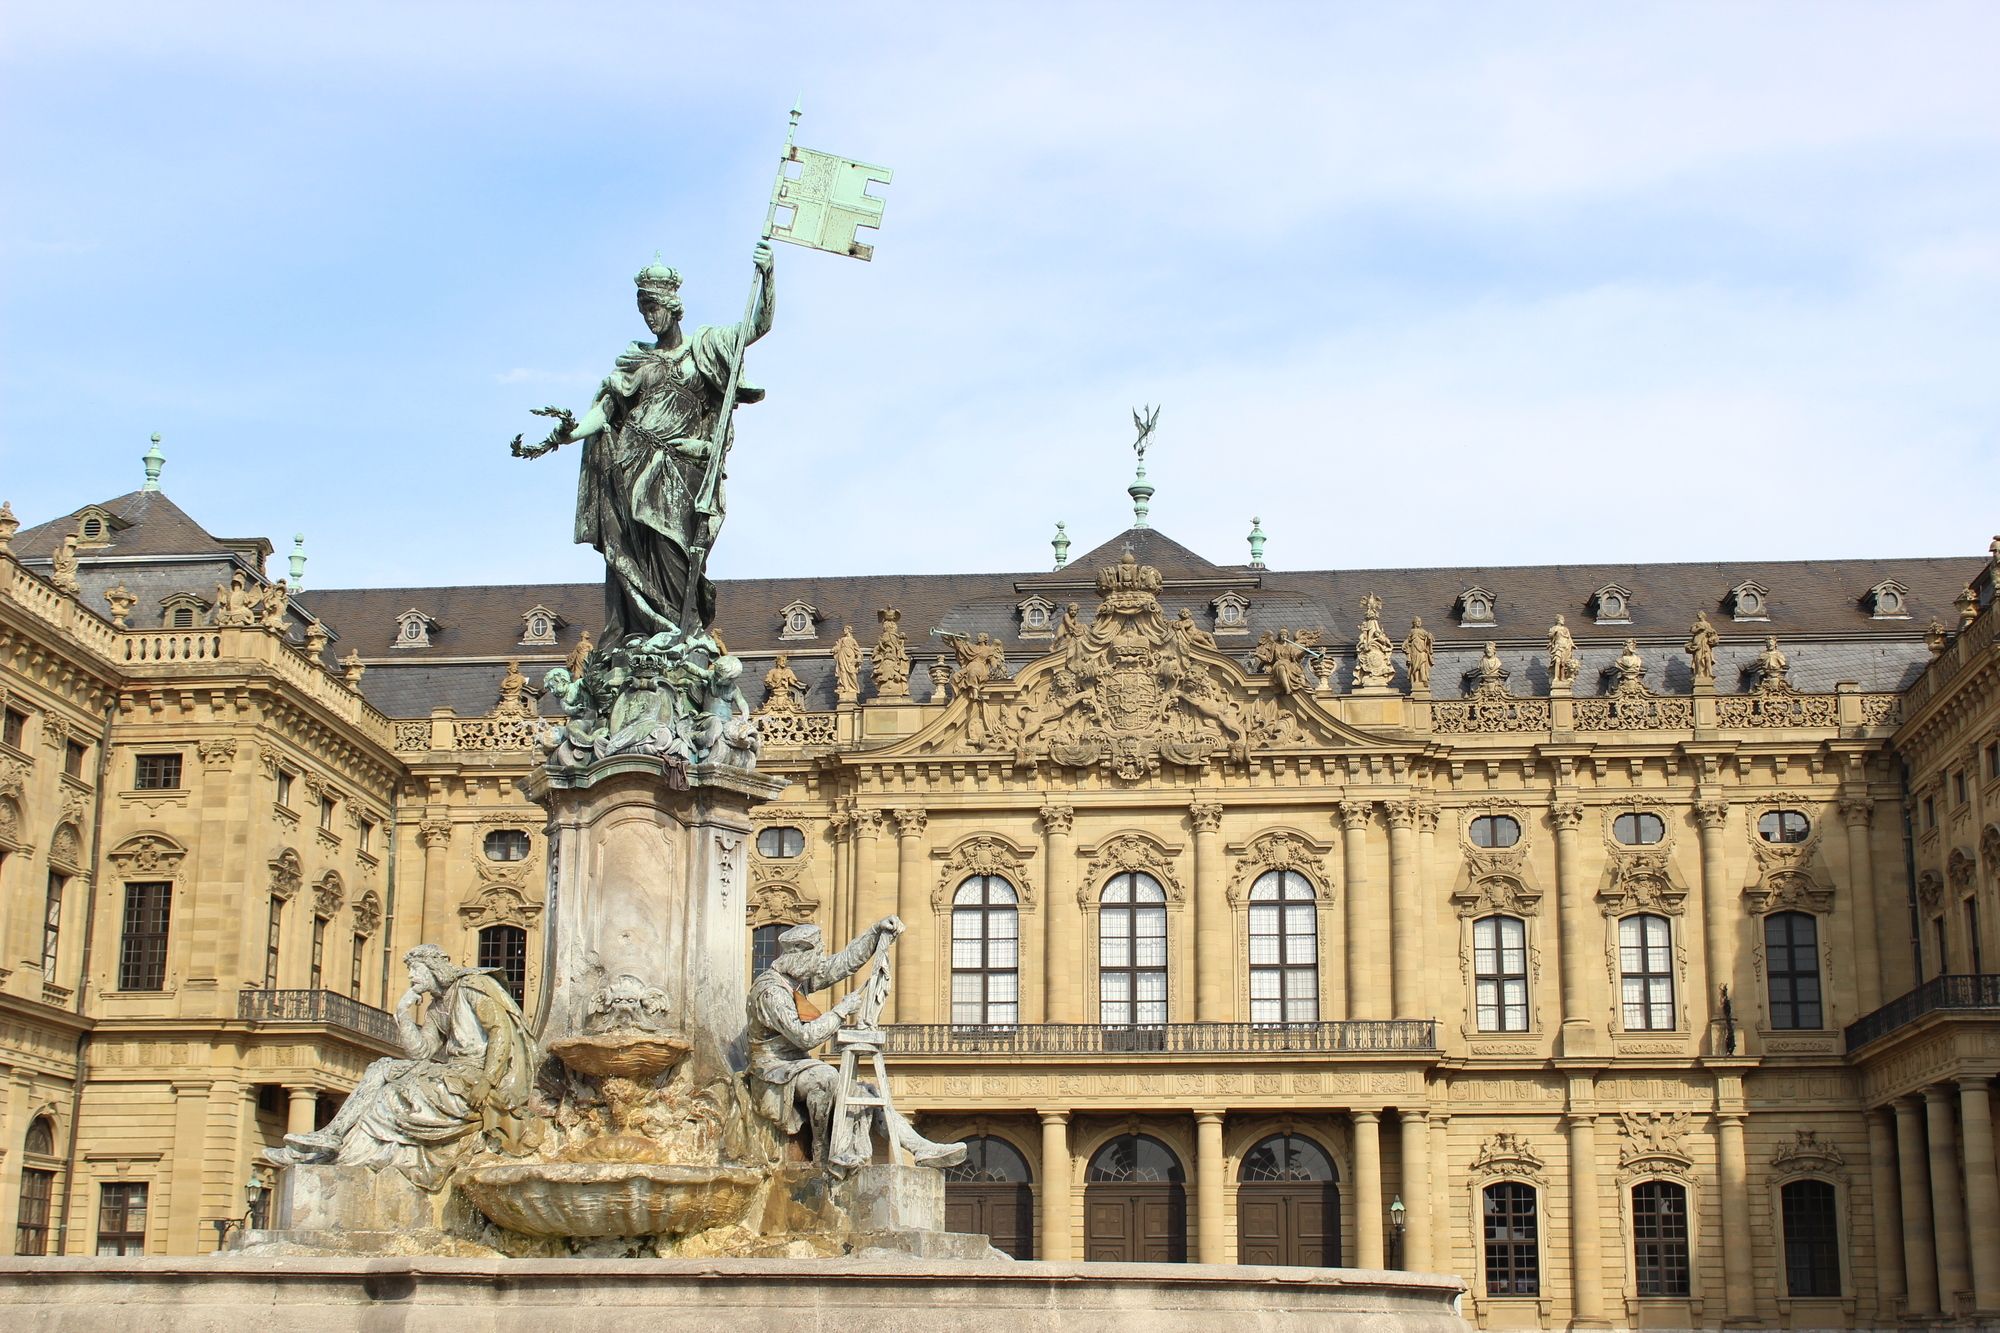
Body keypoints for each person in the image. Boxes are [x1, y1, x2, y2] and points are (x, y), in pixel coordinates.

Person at [514, 244, 776, 640]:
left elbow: (758, 326)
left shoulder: (706, 346)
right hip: (635, 463)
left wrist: (768, 276)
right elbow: (606, 410)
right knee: (639, 552)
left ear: (672, 306)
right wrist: (568, 434)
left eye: (654, 308)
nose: (649, 317)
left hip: (684, 469)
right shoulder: (637, 359)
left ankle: (680, 634)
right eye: (643, 310)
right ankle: (650, 632)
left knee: (678, 553)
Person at [267, 945, 535, 1190]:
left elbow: (501, 1031)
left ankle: (335, 1147)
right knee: (381, 1067)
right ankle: (331, 1137)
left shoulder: (471, 986)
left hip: (474, 1075)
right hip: (452, 1072)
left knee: (387, 1098)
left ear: (432, 968)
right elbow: (422, 1052)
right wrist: (403, 1013)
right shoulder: (437, 1006)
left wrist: (488, 1080)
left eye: (415, 970)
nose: (411, 977)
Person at [746, 919, 966, 1173]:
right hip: (772, 1072)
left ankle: (920, 1148)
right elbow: (805, 1038)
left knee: (867, 1094)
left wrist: (875, 933)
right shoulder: (771, 992)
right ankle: (822, 1152)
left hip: (797, 1068)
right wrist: (840, 1011)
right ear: (801, 956)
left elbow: (843, 963)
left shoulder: (796, 980)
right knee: (826, 1076)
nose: (820, 962)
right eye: (817, 956)